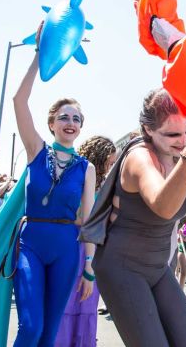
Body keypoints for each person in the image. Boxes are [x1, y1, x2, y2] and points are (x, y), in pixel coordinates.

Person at [90, 88, 186, 347]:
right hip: (122, 269)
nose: (182, 140)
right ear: (148, 130)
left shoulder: (175, 156)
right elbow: (164, 207)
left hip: (158, 268)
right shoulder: (139, 157)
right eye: (172, 134)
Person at [10, 29, 96, 347]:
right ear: (52, 123)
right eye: (64, 117)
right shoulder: (36, 150)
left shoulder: (87, 168)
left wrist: (89, 268)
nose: (70, 122)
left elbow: (88, 221)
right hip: (31, 244)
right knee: (31, 327)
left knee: (49, 336)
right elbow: (19, 100)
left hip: (66, 250)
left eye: (76, 118)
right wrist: (38, 54)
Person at [56, 135, 116, 347]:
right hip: (75, 245)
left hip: (91, 247)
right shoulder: (79, 178)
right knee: (68, 305)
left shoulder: (104, 185)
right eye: (109, 162)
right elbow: (79, 217)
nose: (111, 167)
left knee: (86, 305)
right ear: (99, 159)